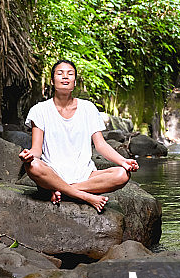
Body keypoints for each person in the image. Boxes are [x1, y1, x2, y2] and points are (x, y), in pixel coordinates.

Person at [19, 60, 139, 212]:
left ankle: (63, 190)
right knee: (33, 165)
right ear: (52, 80)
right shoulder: (39, 110)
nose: (65, 77)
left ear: (74, 82)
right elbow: (37, 149)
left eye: (70, 74)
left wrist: (124, 161)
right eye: (60, 73)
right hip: (52, 173)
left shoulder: (88, 108)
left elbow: (100, 145)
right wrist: (29, 156)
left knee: (122, 174)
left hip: (85, 175)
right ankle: (85, 196)